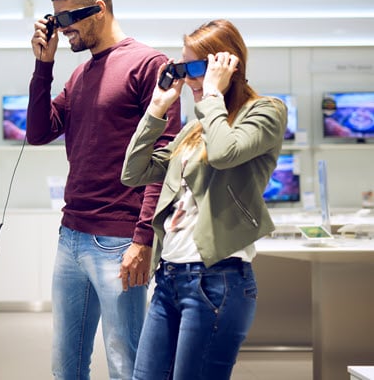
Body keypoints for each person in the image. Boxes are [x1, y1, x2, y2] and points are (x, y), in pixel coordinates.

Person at [27, 0, 181, 379]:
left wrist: (144, 237)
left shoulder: (149, 64)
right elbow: (39, 132)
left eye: (67, 19)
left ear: (98, 10)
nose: (62, 29)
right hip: (71, 235)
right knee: (66, 367)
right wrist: (44, 67)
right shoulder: (80, 74)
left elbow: (164, 159)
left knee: (128, 365)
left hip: (118, 240)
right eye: (55, 19)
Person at [120, 19, 288, 380]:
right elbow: (134, 172)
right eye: (182, 69)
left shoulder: (265, 112)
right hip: (168, 278)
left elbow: (225, 152)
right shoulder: (196, 127)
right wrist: (156, 109)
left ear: (227, 66)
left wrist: (211, 93)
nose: (190, 80)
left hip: (217, 280)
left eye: (197, 68)